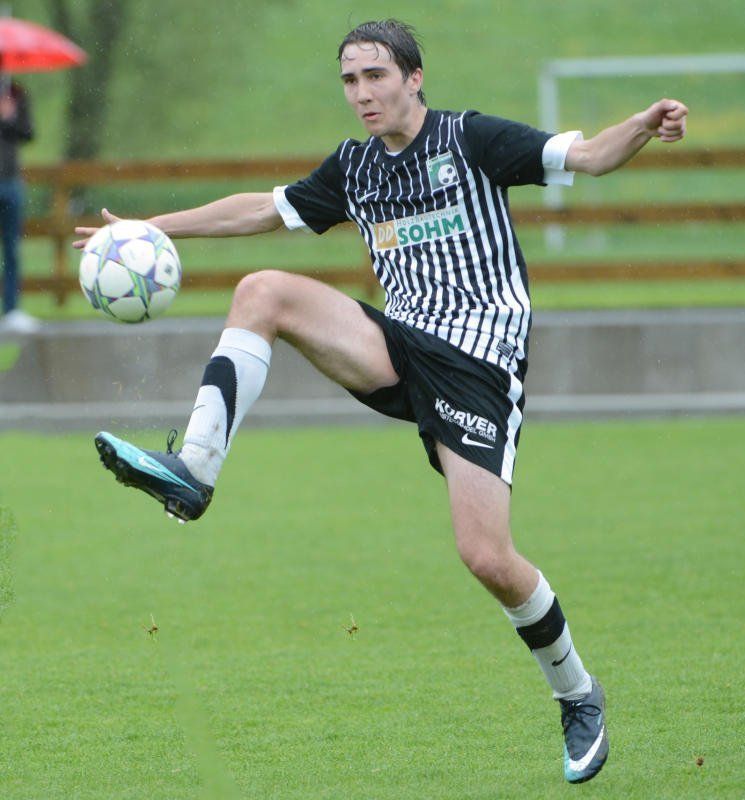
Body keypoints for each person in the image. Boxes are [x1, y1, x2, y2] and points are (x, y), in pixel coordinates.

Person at [74, 19, 688, 784]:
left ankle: (576, 693)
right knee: (261, 291)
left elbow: (588, 156)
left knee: (486, 557)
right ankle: (194, 470)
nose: (361, 93)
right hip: (396, 347)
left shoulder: (471, 140)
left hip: (476, 368)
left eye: (375, 76)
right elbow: (262, 209)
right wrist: (149, 227)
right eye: (349, 80)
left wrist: (642, 124)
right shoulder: (355, 167)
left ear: (412, 78)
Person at [0, 76, 35, 334]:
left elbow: (28, 133)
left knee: (11, 248)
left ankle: (11, 310)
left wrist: (9, 118)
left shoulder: (17, 93)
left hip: (11, 182)